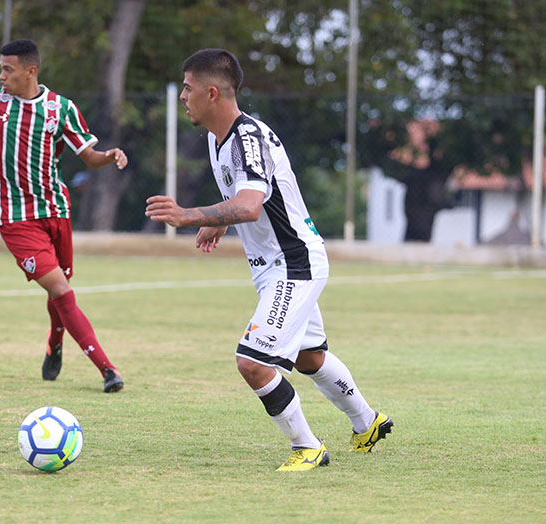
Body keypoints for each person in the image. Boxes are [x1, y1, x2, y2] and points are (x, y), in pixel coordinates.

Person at [145, 49, 392, 470]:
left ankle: (307, 446)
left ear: (211, 93)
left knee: (252, 362)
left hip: (293, 263)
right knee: (308, 357)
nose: (182, 96)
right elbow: (244, 196)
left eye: (187, 88)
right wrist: (222, 219)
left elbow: (252, 204)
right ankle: (367, 422)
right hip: (277, 265)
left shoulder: (246, 138)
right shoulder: (216, 138)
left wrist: (190, 215)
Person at [0, 39, 126, 393]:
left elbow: (88, 156)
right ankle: (108, 369)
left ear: (31, 71)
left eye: (8, 69)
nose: (1, 76)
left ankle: (54, 344)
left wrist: (108, 156)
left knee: (57, 291)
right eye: (0, 68)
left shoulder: (60, 109)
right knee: (60, 287)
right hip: (14, 217)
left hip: (55, 210)